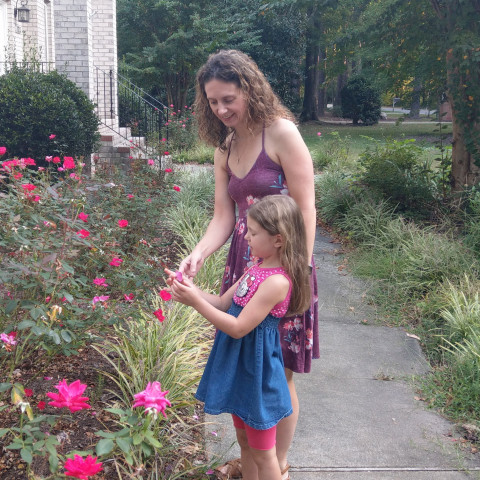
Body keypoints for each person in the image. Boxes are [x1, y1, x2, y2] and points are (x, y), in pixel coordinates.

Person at [179, 49, 319, 478]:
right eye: (213, 102)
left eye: (228, 99)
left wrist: (296, 275)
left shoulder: (281, 134)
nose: (221, 110)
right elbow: (225, 216)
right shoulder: (225, 145)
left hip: (285, 268)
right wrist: (199, 253)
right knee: (248, 370)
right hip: (244, 264)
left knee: (281, 373)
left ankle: (276, 463)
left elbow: (307, 208)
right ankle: (255, 460)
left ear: (250, 89)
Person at [168, 196, 311, 480]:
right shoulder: (256, 268)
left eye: (254, 232)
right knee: (245, 442)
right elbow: (222, 303)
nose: (246, 236)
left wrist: (195, 303)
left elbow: (238, 327)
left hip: (257, 374)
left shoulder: (277, 281)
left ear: (278, 239)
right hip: (239, 368)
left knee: (263, 452)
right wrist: (190, 290)